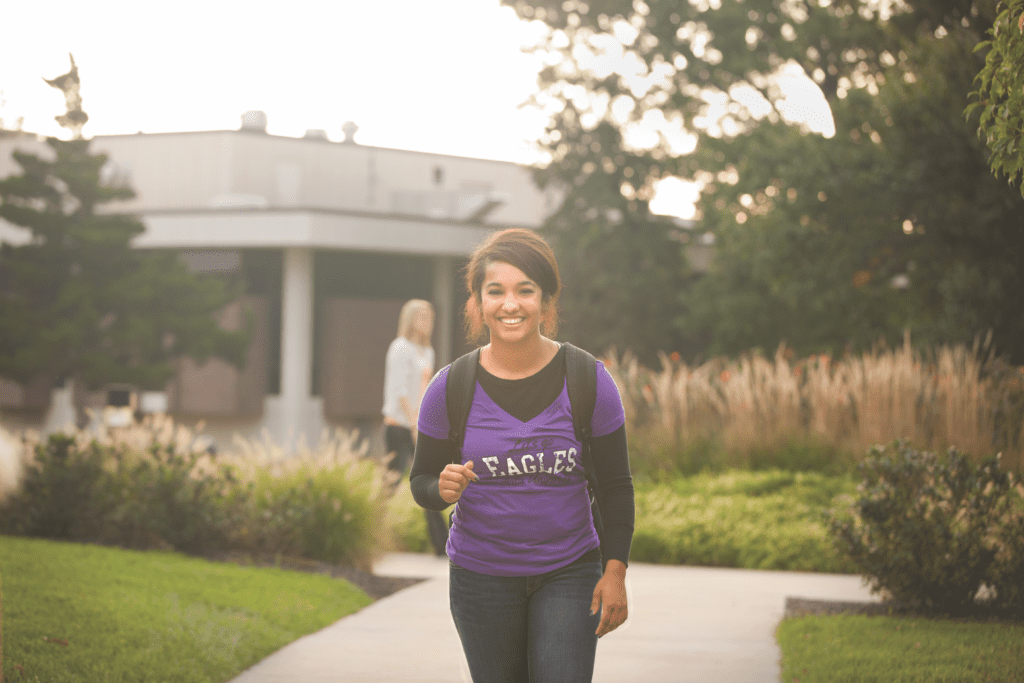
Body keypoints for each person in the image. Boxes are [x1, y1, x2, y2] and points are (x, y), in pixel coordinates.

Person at [410, 228, 634, 683]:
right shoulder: (449, 388)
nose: (510, 304)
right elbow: (421, 483)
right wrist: (441, 487)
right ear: (478, 302)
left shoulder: (589, 379)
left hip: (570, 571)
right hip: (481, 578)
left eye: (524, 290)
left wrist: (615, 572)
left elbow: (615, 486)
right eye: (496, 291)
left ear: (546, 301)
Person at [382, 298, 448, 556]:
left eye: (430, 318)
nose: (427, 323)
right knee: (391, 482)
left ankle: (441, 544)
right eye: (421, 317)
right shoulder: (400, 348)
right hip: (400, 425)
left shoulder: (427, 352)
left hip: (420, 426)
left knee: (427, 482)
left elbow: (427, 391)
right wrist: (412, 424)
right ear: (410, 320)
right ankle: (372, 531)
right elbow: (399, 391)